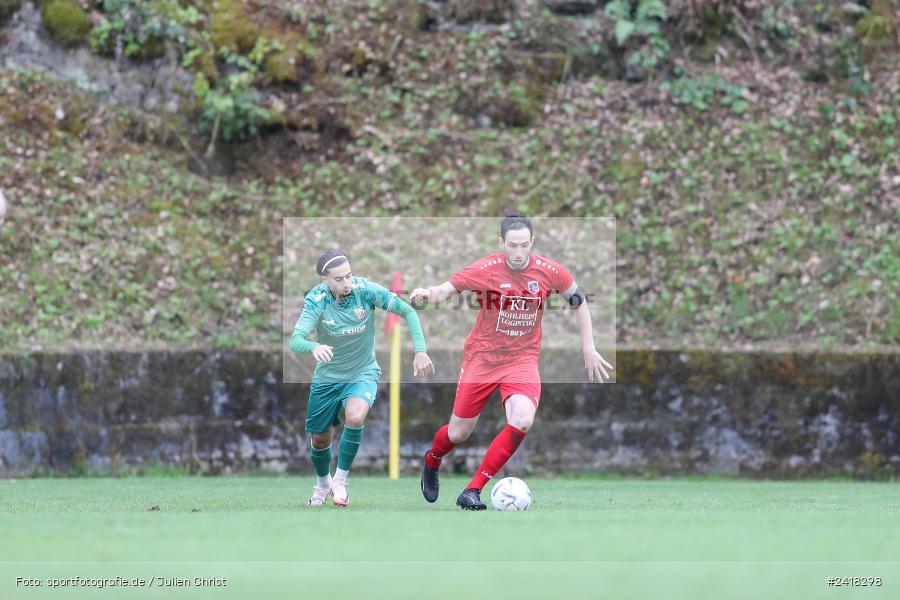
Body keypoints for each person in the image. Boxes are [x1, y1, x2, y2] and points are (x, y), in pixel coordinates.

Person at [410, 213, 613, 510]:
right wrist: (427, 294)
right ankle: (433, 459)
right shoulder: (486, 268)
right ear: (501, 243)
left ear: (532, 242)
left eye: (524, 245)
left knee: (522, 419)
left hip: (522, 360)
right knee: (458, 433)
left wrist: (589, 348)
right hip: (482, 358)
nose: (519, 253)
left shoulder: (550, 272)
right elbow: (446, 290)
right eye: (512, 246)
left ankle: (472, 490)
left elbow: (578, 302)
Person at [290, 250, 435, 507]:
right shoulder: (317, 299)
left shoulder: (365, 290)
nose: (346, 283)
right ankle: (323, 484)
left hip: (362, 372)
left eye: (349, 275)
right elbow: (296, 340)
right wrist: (313, 347)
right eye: (338, 279)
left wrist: (420, 350)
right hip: (327, 378)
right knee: (320, 439)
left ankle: (341, 481)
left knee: (356, 416)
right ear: (324, 280)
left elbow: (408, 312)